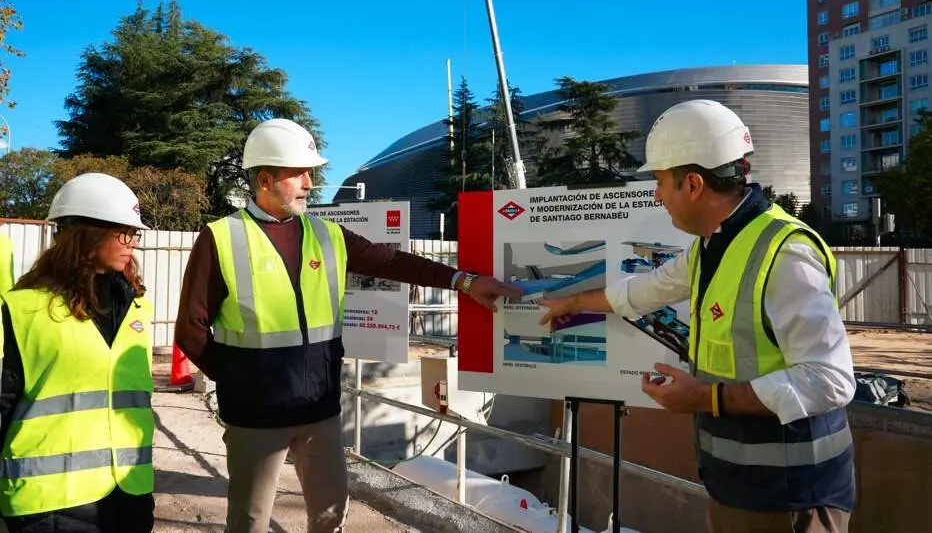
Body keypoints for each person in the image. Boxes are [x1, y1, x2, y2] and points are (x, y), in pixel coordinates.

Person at [174, 118, 521, 533]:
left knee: (331, 513)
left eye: (310, 173)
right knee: (250, 520)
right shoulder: (221, 238)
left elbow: (392, 261)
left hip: (320, 410)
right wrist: (241, 384)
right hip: (256, 416)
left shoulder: (327, 235)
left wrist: (464, 281)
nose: (309, 183)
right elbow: (191, 330)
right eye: (299, 174)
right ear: (265, 180)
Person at [537, 100, 856, 533]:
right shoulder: (713, 246)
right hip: (737, 489)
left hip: (794, 500)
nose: (656, 195)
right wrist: (574, 303)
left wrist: (706, 399)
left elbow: (830, 380)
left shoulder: (785, 255)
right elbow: (645, 290)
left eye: (659, 182)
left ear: (692, 183)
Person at [0, 172, 155, 532]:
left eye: (135, 233)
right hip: (50, 502)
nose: (132, 243)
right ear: (85, 234)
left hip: (129, 494)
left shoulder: (137, 309)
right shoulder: (22, 309)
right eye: (124, 232)